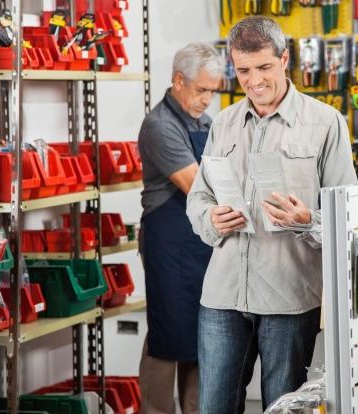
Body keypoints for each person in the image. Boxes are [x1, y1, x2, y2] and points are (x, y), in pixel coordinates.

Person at [186, 17, 358, 413]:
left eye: (264, 67)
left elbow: (348, 216)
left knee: (283, 408)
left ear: (284, 60)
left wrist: (308, 221)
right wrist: (211, 219)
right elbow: (198, 198)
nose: (254, 81)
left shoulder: (325, 123)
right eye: (243, 70)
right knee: (213, 407)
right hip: (223, 295)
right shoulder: (224, 122)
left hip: (289, 298)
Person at [137, 42, 224, 414]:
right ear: (178, 81)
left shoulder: (203, 123)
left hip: (200, 242)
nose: (207, 100)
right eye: (202, 90)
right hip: (168, 243)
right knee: (168, 332)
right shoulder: (160, 126)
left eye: (212, 92)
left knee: (201, 333)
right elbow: (197, 185)